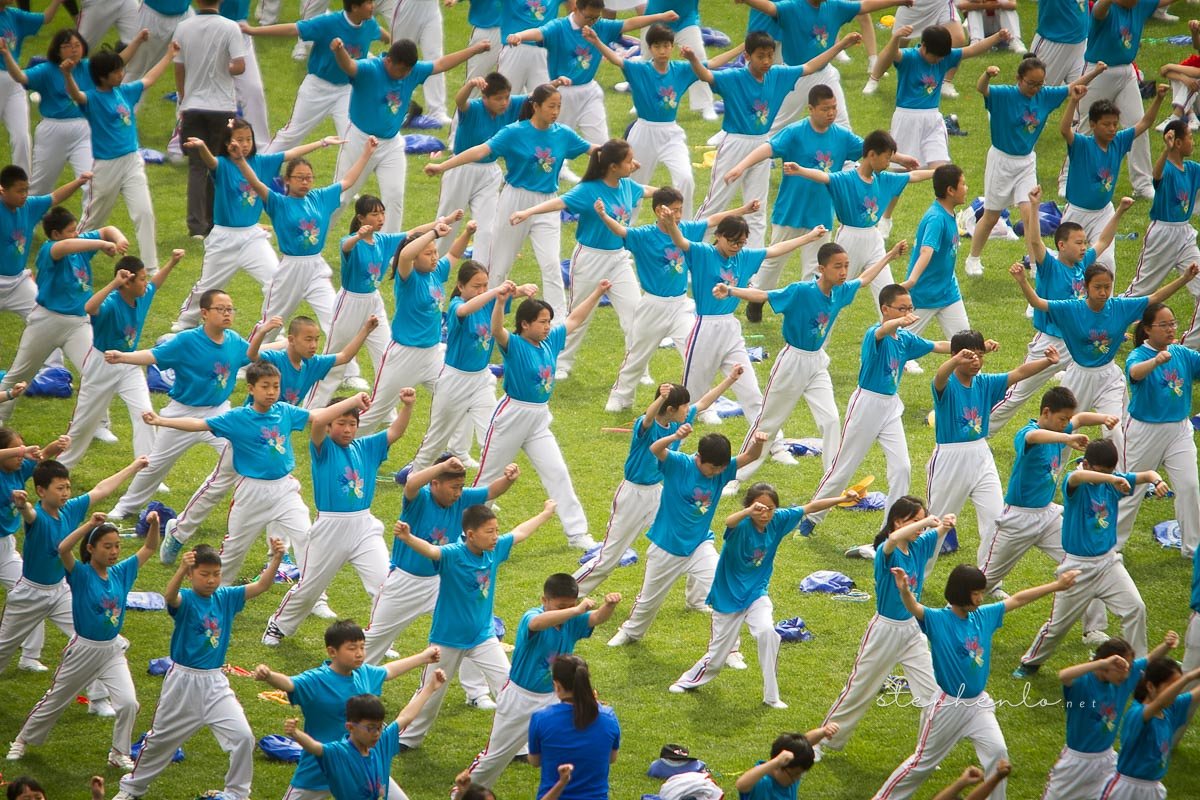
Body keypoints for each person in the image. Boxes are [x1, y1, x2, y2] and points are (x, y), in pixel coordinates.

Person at [161, 314, 376, 562]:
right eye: (308, 339)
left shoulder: (312, 364)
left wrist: (365, 330)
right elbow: (252, 357)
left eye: (317, 339)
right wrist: (262, 331)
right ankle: (178, 532)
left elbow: (344, 357)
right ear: (291, 340)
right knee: (218, 485)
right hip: (247, 434)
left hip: (279, 432)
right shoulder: (276, 359)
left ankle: (279, 553)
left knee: (280, 488)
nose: (314, 345)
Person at [871, 563, 1080, 800]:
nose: (981, 598)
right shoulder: (939, 620)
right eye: (976, 593)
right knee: (922, 763)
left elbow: (1019, 599)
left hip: (979, 704)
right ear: (961, 592)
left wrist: (1058, 585)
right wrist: (905, 591)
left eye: (982, 592)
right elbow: (915, 608)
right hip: (949, 706)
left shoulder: (984, 616)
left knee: (998, 753)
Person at [142, 369, 370, 584]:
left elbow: (316, 416)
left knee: (306, 537)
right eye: (265, 386)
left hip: (285, 489)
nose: (271, 392)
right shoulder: (238, 417)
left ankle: (314, 598)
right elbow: (199, 423)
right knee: (235, 548)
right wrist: (162, 421)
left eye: (275, 386)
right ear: (251, 388)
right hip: (251, 491)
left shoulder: (284, 411)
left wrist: (351, 402)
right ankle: (220, 593)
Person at [718, 241, 906, 497]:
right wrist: (730, 291)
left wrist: (890, 254)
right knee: (768, 423)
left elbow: (863, 280)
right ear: (821, 268)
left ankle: (831, 482)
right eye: (838, 266)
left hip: (817, 361)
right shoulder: (801, 291)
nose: (843, 272)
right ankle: (735, 477)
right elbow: (763, 296)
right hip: (792, 362)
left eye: (846, 266)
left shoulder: (840, 292)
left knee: (831, 420)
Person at [113, 540, 287, 800]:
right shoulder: (187, 599)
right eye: (204, 575)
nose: (211, 580)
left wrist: (276, 558)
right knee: (160, 741)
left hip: (215, 682)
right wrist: (181, 569)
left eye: (216, 574)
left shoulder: (226, 597)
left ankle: (238, 794)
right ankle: (131, 789)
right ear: (193, 574)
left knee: (243, 737)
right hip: (182, 680)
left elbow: (261, 586)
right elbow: (169, 597)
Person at [671, 483, 859, 707]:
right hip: (727, 596)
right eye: (759, 508)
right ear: (749, 507)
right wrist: (749, 512)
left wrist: (842, 498)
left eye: (770, 508)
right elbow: (728, 521)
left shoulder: (778, 520)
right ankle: (686, 681)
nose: (765, 514)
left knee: (768, 633)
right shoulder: (741, 525)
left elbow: (810, 507)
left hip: (756, 593)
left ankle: (772, 696)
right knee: (718, 655)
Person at [389, 500, 558, 749]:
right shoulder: (453, 554)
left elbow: (520, 532)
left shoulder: (494, 550)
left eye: (496, 530)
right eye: (489, 532)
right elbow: (432, 551)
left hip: (483, 636)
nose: (495, 536)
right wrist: (407, 537)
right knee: (431, 690)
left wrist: (544, 513)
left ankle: (518, 746)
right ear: (470, 535)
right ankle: (407, 738)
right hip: (447, 639)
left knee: (509, 686)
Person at [425, 83, 596, 318]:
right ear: (535, 106)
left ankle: (557, 324)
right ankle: (486, 315)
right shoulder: (514, 132)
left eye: (559, 106)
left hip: (547, 203)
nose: (555, 111)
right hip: (515, 199)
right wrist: (443, 166)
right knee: (499, 266)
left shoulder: (563, 134)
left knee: (551, 265)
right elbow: (480, 151)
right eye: (551, 106)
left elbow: (593, 149)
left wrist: (623, 154)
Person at [6, 512, 161, 770]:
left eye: (117, 546)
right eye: (107, 546)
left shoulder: (121, 572)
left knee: (128, 703)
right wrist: (90, 524)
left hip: (111, 651)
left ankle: (118, 752)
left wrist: (154, 524)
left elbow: (150, 546)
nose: (114, 551)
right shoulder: (80, 574)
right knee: (56, 699)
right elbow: (63, 548)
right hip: (83, 650)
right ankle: (22, 739)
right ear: (91, 548)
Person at [664, 210, 826, 459]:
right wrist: (671, 224)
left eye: (741, 243)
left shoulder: (744, 256)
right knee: (690, 395)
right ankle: (668, 444)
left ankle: (774, 445)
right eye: (732, 241)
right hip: (705, 328)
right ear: (718, 236)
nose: (737, 247)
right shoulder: (703, 253)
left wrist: (810, 237)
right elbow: (681, 242)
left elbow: (775, 250)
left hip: (731, 329)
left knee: (751, 392)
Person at [261, 389, 416, 645]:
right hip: (330, 527)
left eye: (352, 424)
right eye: (341, 423)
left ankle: (378, 638)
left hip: (365, 526)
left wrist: (408, 406)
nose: (347, 429)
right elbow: (319, 421)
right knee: (310, 587)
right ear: (332, 423)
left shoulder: (366, 446)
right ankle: (278, 624)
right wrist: (353, 401)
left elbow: (395, 432)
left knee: (384, 584)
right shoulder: (323, 448)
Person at [363, 455, 517, 708]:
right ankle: (354, 681)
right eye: (453, 487)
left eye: (460, 487)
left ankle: (476, 693)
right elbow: (411, 484)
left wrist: (508, 479)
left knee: (473, 628)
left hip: (441, 582)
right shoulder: (420, 498)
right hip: (405, 582)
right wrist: (443, 466)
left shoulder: (462, 499)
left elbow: (491, 490)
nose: (458, 493)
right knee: (377, 636)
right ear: (435, 483)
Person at [687, 30, 861, 249]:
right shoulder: (734, 77)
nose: (767, 61)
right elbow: (706, 76)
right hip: (735, 143)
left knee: (757, 208)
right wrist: (693, 59)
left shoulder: (778, 75)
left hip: (762, 143)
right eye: (761, 56)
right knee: (716, 203)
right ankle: (690, 250)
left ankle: (753, 264)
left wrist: (841, 45)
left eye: (770, 55)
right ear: (748, 56)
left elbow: (810, 66)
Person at [471, 281, 612, 550]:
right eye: (542, 322)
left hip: (538, 420)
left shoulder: (550, 342)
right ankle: (465, 532)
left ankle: (577, 534)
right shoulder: (513, 344)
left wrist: (596, 292)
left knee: (557, 471)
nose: (547, 326)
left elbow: (575, 319)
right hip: (512, 416)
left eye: (549, 321)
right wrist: (500, 302)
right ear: (525, 324)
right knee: (487, 478)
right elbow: (496, 329)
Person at [1011, 260, 1199, 461]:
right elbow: (1038, 303)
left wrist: (1185, 278)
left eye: (1107, 287)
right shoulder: (1071, 308)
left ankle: (1119, 479)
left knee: (1115, 429)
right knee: (1065, 430)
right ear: (1086, 287)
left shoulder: (1120, 307)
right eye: (1097, 287)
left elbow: (1154, 298)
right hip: (1079, 375)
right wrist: (1022, 281)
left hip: (1109, 376)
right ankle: (1054, 472)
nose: (1103, 292)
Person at [802, 284, 951, 536]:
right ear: (885, 309)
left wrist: (973, 346)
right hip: (866, 405)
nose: (908, 313)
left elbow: (937, 345)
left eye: (910, 308)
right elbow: (883, 330)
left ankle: (890, 530)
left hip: (891, 406)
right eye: (902, 309)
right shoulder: (875, 334)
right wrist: (901, 321)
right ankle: (810, 519)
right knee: (842, 468)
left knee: (902, 468)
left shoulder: (905, 339)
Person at [0, 456, 145, 708]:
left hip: (61, 592)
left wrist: (134, 467)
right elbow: (30, 514)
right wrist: (22, 506)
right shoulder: (37, 517)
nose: (66, 493)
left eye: (67, 487)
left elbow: (102, 489)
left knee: (95, 640)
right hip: (29, 595)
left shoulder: (71, 509)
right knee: (3, 649)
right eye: (60, 488)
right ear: (41, 491)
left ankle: (98, 700)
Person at [576, 374, 741, 595]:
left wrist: (730, 379)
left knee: (695, 539)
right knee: (609, 558)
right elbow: (648, 418)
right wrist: (660, 399)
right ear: (670, 409)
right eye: (684, 406)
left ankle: (697, 598)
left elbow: (704, 403)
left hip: (659, 494)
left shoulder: (681, 422)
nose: (688, 410)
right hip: (633, 496)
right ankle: (571, 591)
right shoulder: (647, 427)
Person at [1014, 439, 1166, 676]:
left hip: (1108, 563)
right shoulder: (1075, 482)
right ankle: (1030, 662)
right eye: (1101, 472)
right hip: (1076, 567)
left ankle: (1138, 667)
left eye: (1110, 471)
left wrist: (1157, 481)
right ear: (1085, 464)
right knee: (1057, 627)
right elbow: (1077, 478)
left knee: (1135, 608)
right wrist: (1112, 478)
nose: (1107, 476)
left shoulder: (1113, 482)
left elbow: (1147, 473)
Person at [608, 424, 768, 646]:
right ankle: (630, 632)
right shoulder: (679, 464)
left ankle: (730, 649)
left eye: (721, 469)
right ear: (699, 458)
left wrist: (758, 442)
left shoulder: (722, 472)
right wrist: (674, 436)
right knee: (648, 600)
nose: (717, 473)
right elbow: (655, 448)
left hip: (699, 545)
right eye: (713, 468)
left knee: (723, 589)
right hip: (667, 546)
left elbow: (751, 456)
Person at [173, 123, 342, 332]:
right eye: (239, 139)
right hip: (224, 238)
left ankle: (274, 329)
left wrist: (322, 142)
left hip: (253, 237)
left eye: (248, 139)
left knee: (274, 280)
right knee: (208, 284)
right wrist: (201, 147)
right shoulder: (224, 165)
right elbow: (211, 162)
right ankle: (186, 321)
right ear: (228, 143)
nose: (244, 144)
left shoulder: (261, 162)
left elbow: (290, 154)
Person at [599, 190, 756, 413]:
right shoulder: (644, 235)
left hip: (682, 305)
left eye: (680, 209)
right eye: (674, 210)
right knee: (637, 354)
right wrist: (604, 215)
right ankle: (621, 397)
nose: (678, 214)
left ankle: (701, 407)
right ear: (659, 211)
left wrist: (743, 210)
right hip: (653, 305)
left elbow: (712, 221)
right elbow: (622, 231)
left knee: (695, 354)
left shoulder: (687, 230)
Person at [987, 187, 1130, 433]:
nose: (1084, 247)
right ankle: (982, 430)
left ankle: (1120, 436)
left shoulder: (1083, 264)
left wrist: (1118, 212)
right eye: (1079, 243)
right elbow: (1034, 241)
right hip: (1050, 343)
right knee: (1018, 392)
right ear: (1062, 245)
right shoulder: (1050, 267)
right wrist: (1033, 206)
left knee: (1109, 379)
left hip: (1079, 341)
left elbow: (1104, 240)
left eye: (1085, 242)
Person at [461, 574, 621, 788]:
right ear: (544, 600)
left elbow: (596, 618)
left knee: (568, 746)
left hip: (556, 697)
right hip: (520, 696)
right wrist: (574, 610)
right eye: (560, 606)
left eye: (571, 605)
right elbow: (536, 624)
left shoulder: (571, 620)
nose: (566, 611)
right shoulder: (533, 616)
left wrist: (609, 605)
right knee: (495, 756)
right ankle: (463, 791)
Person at [253, 621, 440, 800]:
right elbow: (290, 683)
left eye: (362, 647)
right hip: (320, 763)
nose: (359, 653)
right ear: (332, 652)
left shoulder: (364, 674)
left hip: (362, 761)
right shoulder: (317, 680)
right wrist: (268, 675)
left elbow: (389, 670)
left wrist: (424, 657)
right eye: (352, 648)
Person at [508, 139, 647, 381]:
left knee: (636, 313)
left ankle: (637, 368)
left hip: (619, 258)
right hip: (589, 259)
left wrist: (670, 195)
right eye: (628, 160)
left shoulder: (628, 185)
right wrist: (527, 212)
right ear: (613, 166)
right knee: (579, 315)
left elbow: (648, 191)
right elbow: (559, 202)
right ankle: (561, 363)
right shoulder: (588, 190)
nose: (634, 163)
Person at [819, 498, 952, 753]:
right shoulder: (885, 553)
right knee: (859, 690)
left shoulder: (918, 546)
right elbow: (891, 541)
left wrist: (945, 525)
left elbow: (935, 534)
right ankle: (822, 741)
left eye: (922, 522)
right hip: (885, 631)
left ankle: (926, 752)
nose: (921, 529)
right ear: (897, 521)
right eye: (915, 522)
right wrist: (926, 520)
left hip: (912, 630)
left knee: (933, 693)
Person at [105, 290, 250, 520]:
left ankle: (247, 508)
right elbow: (154, 355)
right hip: (182, 412)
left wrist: (289, 343)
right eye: (221, 309)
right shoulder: (187, 340)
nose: (227, 314)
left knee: (243, 454)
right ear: (204, 313)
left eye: (230, 309)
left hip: (219, 412)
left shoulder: (233, 340)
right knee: (155, 465)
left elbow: (257, 353)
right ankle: (126, 507)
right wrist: (122, 356)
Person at [926, 330, 1057, 575]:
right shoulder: (947, 385)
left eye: (979, 355)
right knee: (936, 523)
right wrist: (955, 360)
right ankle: (916, 579)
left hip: (981, 454)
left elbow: (1018, 373)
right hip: (950, 458)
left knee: (996, 519)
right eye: (969, 357)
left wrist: (1048, 362)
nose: (976, 361)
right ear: (955, 356)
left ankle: (986, 579)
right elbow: (939, 377)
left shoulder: (984, 382)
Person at [230, 135, 377, 348]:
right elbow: (255, 183)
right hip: (291, 268)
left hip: (316, 266)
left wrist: (366, 154)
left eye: (309, 177)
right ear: (287, 180)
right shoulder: (278, 202)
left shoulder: (320, 198)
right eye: (300, 177)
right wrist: (241, 161)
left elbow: (348, 181)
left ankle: (345, 368)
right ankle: (246, 359)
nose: (305, 182)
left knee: (334, 318)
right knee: (271, 321)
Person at [330, 35, 490, 231]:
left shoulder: (412, 71)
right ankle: (314, 248)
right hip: (359, 139)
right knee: (342, 196)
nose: (405, 74)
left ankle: (389, 253)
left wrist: (474, 49)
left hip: (391, 143)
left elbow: (440, 63)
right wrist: (339, 50)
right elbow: (350, 67)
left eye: (408, 70)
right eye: (401, 69)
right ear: (388, 60)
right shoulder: (370, 68)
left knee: (394, 198)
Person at [963, 57, 1104, 273]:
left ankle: (1034, 261)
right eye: (1031, 84)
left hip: (1026, 161)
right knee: (992, 215)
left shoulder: (1044, 96)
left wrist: (1097, 71)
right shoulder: (1005, 94)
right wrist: (987, 74)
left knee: (1030, 214)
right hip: (1001, 160)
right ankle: (973, 259)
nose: (1036, 88)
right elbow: (982, 88)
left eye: (1040, 84)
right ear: (1019, 79)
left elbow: (1072, 87)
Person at [764, 131, 931, 311]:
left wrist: (939, 172)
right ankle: (815, 334)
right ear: (872, 155)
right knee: (832, 295)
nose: (888, 163)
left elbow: (913, 177)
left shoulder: (883, 179)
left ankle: (890, 335)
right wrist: (800, 170)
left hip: (873, 239)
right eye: (886, 159)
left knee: (888, 293)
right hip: (849, 240)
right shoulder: (846, 179)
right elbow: (824, 177)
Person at [980, 386, 1118, 602]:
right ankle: (952, 610)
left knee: (1082, 562)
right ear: (1046, 413)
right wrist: (1065, 439)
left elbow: (1080, 418)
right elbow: (1034, 437)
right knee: (985, 580)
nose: (1066, 424)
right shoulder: (1027, 433)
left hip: (1048, 515)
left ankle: (1092, 629)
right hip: (1018, 518)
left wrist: (1105, 418)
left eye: (1067, 420)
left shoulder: (1061, 427)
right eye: (1063, 419)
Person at [0, 207, 128, 426]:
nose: (75, 234)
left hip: (79, 323)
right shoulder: (50, 249)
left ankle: (99, 424)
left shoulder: (78, 244)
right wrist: (101, 244)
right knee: (20, 374)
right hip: (46, 321)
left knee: (93, 372)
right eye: (70, 230)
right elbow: (66, 246)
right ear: (56, 234)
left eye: (76, 229)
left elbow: (108, 230)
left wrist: (119, 238)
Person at [58, 251, 183, 467]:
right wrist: (113, 283)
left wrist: (171, 261)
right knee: (83, 424)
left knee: (145, 414)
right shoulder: (111, 303)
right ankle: (62, 467)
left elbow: (155, 283)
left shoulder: (141, 296)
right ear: (126, 283)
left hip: (129, 363)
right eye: (141, 279)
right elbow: (89, 308)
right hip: (101, 364)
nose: (146, 283)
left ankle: (146, 468)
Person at [507, 0, 678, 158]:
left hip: (589, 91)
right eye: (588, 16)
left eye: (596, 17)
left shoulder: (600, 26)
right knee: (553, 139)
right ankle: (558, 170)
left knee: (601, 142)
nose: (592, 21)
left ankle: (601, 178)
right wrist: (520, 36)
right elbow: (539, 33)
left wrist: (661, 17)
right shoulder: (559, 27)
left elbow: (629, 23)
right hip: (562, 93)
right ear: (576, 9)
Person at [407, 264, 536, 472]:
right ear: (460, 286)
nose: (482, 290)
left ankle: (484, 496)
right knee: (435, 442)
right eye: (476, 286)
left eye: (485, 285)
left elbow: (506, 296)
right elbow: (465, 309)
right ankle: (414, 481)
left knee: (492, 438)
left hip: (481, 379)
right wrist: (495, 291)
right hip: (454, 381)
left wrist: (521, 289)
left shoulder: (489, 303)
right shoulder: (457, 305)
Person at [306, 196, 434, 406]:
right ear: (360, 217)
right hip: (350, 303)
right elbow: (346, 246)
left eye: (382, 213)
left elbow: (412, 233)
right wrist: (358, 236)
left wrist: (439, 224)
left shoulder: (383, 241)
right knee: (336, 358)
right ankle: (312, 408)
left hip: (373, 302)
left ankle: (383, 409)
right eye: (375, 214)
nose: (381, 218)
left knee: (386, 355)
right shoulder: (351, 243)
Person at [64, 43, 177, 274]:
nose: (121, 73)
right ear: (102, 77)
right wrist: (67, 74)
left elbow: (149, 80)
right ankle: (67, 255)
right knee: (93, 219)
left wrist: (168, 55)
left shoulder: (124, 91)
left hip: (132, 161)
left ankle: (151, 268)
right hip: (107, 166)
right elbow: (76, 94)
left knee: (144, 212)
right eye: (116, 71)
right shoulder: (92, 99)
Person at [355, 215, 472, 434]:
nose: (435, 257)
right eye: (428, 253)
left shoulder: (436, 272)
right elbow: (406, 255)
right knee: (376, 412)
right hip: (403, 356)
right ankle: (342, 445)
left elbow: (454, 254)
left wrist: (467, 233)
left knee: (456, 399)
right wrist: (434, 232)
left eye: (435, 251)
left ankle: (459, 454)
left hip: (432, 354)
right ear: (416, 258)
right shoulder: (407, 277)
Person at [0, 31, 143, 203]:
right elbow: (20, 77)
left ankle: (87, 228)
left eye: (77, 45)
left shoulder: (89, 67)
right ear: (58, 51)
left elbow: (117, 62)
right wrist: (7, 55)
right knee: (41, 186)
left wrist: (138, 40)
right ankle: (28, 221)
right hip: (53, 131)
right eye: (67, 46)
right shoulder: (46, 70)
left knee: (91, 183)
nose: (73, 50)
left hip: (85, 129)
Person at [734, 0, 910, 133]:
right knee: (774, 125)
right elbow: (771, 8)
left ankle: (848, 166)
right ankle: (751, 154)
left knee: (841, 123)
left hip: (825, 73)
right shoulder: (792, 8)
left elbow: (864, 6)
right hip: (796, 76)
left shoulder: (834, 6)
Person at [1042, 633, 1179, 800]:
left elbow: (1150, 659)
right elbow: (1063, 675)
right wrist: (1100, 663)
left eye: (1129, 668)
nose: (1127, 675)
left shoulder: (1121, 681)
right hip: (1075, 763)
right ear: (1106, 665)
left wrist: (1166, 645)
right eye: (1122, 668)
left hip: (1107, 762)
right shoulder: (1083, 683)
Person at [1065, 0, 1176, 201]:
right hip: (1098, 70)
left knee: (1138, 124)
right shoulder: (1104, 8)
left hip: (1126, 71)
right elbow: (1099, 9)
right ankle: (1068, 179)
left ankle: (1143, 184)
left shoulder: (1139, 5)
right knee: (1086, 127)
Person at [1115, 303, 1200, 559]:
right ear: (1148, 329)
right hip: (1144, 432)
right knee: (1131, 490)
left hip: (1179, 431)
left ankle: (1192, 549)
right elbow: (1134, 373)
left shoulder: (1181, 353)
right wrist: (1155, 361)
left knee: (1189, 486)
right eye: (1163, 325)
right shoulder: (1140, 355)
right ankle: (1110, 546)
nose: (1170, 329)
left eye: (1172, 323)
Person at [245, 0, 383, 153]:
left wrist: (399, 46)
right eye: (369, 3)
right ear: (355, 7)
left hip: (347, 90)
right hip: (318, 88)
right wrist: (252, 31)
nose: (373, 6)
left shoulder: (369, 24)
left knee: (352, 138)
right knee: (291, 136)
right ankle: (261, 167)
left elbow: (382, 34)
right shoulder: (328, 23)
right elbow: (293, 29)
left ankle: (348, 176)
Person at [283, 675, 448, 800]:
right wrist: (296, 734)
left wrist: (431, 687)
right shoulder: (340, 752)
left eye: (379, 727)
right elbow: (315, 748)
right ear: (350, 727)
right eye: (370, 728)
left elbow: (405, 717)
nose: (376, 733)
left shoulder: (380, 743)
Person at [1058, 86, 1164, 277]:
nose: (1112, 128)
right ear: (1092, 124)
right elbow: (1065, 130)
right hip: (1077, 212)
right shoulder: (1082, 144)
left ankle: (1105, 304)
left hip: (1104, 212)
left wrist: (1159, 98)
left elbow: (1145, 122)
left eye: (1115, 124)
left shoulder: (1119, 141)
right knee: (1068, 264)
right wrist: (1073, 101)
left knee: (1106, 262)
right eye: (1106, 124)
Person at [877, 25, 1008, 173]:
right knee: (900, 175)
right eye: (935, 56)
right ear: (924, 46)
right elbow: (891, 54)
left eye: (942, 57)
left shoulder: (945, 57)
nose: (939, 60)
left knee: (942, 171)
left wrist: (997, 37)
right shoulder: (909, 57)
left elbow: (972, 50)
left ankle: (943, 195)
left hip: (933, 118)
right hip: (907, 117)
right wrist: (896, 38)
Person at [172, 0, 246, 238]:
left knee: (196, 166)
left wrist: (184, 98)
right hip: (222, 107)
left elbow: (179, 67)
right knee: (219, 165)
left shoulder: (183, 27)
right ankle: (214, 222)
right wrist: (224, 66)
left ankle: (196, 227)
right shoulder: (230, 27)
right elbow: (240, 66)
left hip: (193, 106)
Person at [0, 163, 91, 353]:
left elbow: (55, 197)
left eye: (26, 189)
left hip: (18, 283)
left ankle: (53, 370)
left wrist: (79, 181)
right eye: (19, 191)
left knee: (47, 318)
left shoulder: (29, 206)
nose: (24, 194)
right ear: (3, 190)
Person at [1124, 121, 1200, 348]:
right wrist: (1166, 150)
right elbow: (1155, 177)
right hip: (1162, 234)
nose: (1193, 141)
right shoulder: (1166, 168)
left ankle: (1189, 348)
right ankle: (1103, 321)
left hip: (1185, 234)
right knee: (1140, 291)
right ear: (1177, 142)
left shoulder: (1193, 169)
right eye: (1189, 137)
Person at [0, 429, 69, 673]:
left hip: (5, 548)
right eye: (16, 451)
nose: (21, 456)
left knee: (32, 592)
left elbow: (40, 459)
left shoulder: (18, 469)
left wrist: (56, 446)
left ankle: (29, 656)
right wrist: (21, 450)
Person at [900, 164, 970, 372]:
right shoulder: (936, 219)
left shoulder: (948, 214)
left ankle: (966, 394)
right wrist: (912, 282)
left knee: (967, 346)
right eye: (963, 184)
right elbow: (926, 252)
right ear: (950, 190)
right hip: (925, 295)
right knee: (897, 346)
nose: (966, 188)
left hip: (948, 291)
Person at [1097, 658, 1200, 798]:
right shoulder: (1137, 713)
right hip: (1126, 790)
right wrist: (1189, 677)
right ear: (1150, 686)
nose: (1176, 692)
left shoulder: (1170, 710)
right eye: (1171, 687)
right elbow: (1159, 702)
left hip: (1153, 789)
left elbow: (1194, 694)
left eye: (1178, 687)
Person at [528, 655, 620, 800]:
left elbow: (535, 761)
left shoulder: (541, 718)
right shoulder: (608, 717)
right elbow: (612, 758)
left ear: (557, 686)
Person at [0, 0, 65, 172]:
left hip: (14, 81)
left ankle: (23, 189)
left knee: (22, 138)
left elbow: (45, 18)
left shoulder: (13, 14)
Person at [736, 727, 841, 799]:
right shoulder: (763, 782)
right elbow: (741, 785)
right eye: (795, 774)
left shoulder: (790, 775)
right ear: (778, 766)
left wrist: (823, 731)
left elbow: (805, 743)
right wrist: (775, 762)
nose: (797, 779)